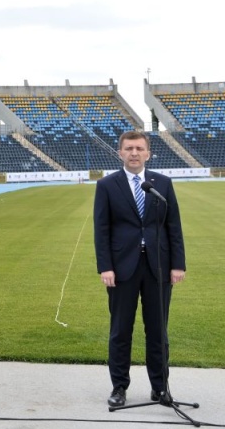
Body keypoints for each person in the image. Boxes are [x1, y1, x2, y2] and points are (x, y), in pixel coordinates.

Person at [94, 130, 186, 407]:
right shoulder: (107, 185)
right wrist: (106, 267)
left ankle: (160, 388)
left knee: (158, 331)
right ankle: (119, 387)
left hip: (158, 267)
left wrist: (178, 265)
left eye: (139, 148)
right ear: (120, 152)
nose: (134, 153)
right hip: (122, 269)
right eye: (129, 148)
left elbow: (173, 227)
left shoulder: (163, 184)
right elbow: (102, 230)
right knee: (121, 330)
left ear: (148, 153)